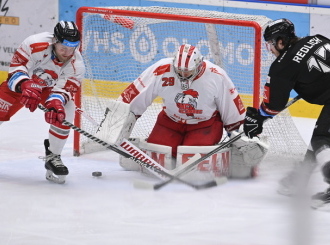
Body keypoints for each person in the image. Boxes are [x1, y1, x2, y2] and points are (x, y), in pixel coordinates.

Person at [117, 44, 268, 178]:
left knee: (193, 160)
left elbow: (232, 109)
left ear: (199, 65)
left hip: (204, 124)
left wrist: (242, 139)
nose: (183, 75)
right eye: (179, 71)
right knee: (160, 154)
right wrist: (118, 120)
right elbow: (134, 96)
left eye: (187, 72)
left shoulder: (216, 75)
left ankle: (232, 158)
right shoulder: (161, 68)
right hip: (170, 121)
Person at [243, 18, 330, 203]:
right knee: (318, 139)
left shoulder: (282, 66)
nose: (271, 50)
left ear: (281, 41)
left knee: (321, 139)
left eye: (271, 44)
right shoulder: (316, 38)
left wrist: (257, 119)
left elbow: (273, 106)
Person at [0, 21, 85, 184]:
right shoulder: (34, 44)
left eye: (72, 48)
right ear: (55, 41)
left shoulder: (77, 65)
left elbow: (63, 90)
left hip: (48, 90)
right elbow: (16, 69)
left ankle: (53, 156)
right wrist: (25, 84)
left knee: (66, 111)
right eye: (63, 48)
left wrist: (56, 103)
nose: (67, 53)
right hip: (20, 85)